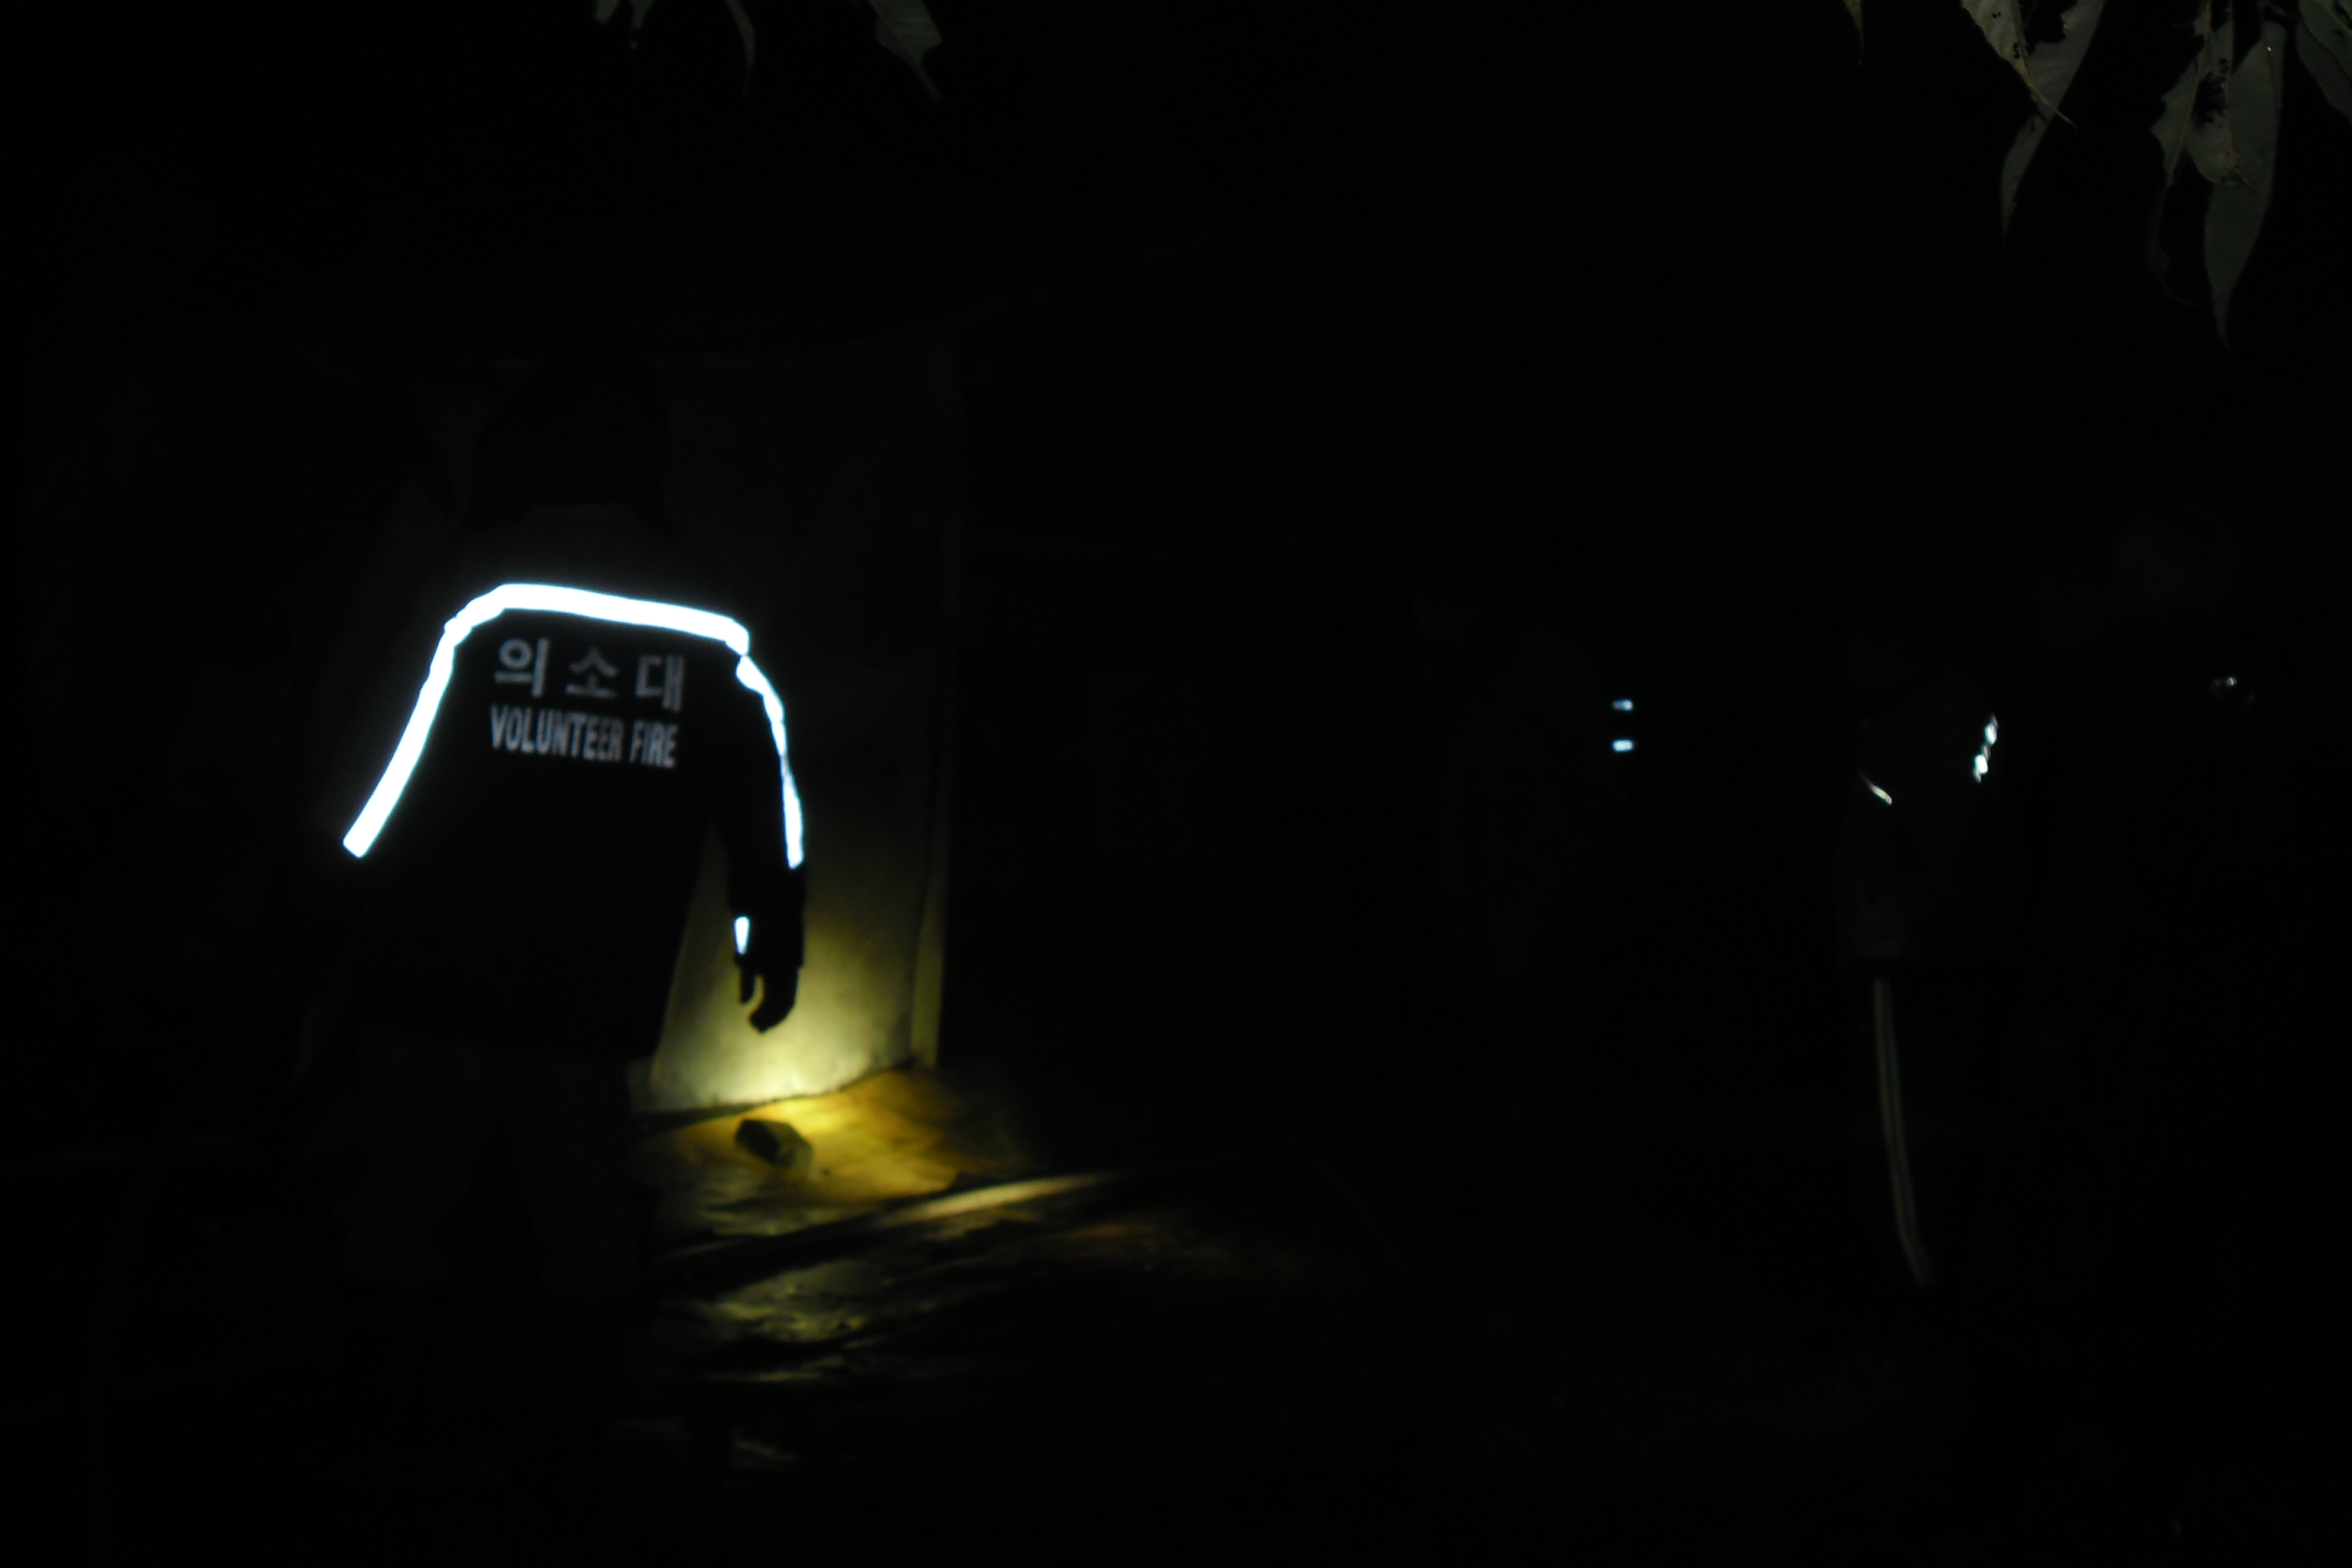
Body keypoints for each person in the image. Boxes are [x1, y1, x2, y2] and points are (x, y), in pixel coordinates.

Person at [298, 348, 806, 1501]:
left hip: (438, 962)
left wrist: (323, 897)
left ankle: (378, 1459)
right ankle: (567, 1460)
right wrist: (767, 929)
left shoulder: (480, 582)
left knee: (399, 1203)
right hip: (592, 979)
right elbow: (762, 793)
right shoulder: (714, 615)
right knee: (584, 1216)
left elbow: (381, 771)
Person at [1831, 563, 2022, 1319]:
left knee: (1900, 1134)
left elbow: (1935, 846)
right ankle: (1936, 1277)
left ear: (1889, 645)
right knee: (1933, 1122)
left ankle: (1915, 1290)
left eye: (1857, 645)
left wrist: (1883, 918)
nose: (1847, 661)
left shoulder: (1917, 724)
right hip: (1941, 952)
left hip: (1907, 958)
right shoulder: (1952, 710)